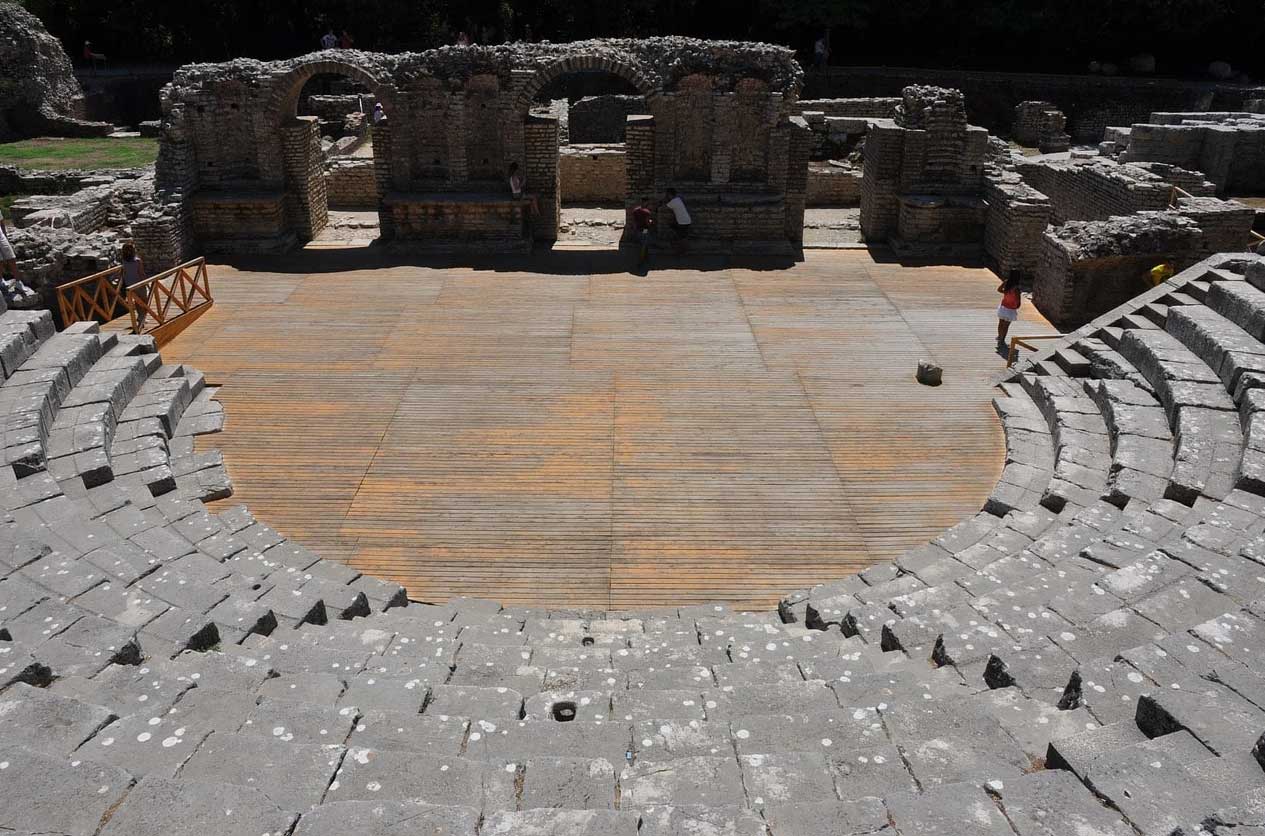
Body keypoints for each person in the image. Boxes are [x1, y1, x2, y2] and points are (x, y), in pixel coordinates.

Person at [117, 242, 149, 328]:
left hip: (129, 285)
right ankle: (142, 318)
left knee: (137, 301)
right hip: (139, 283)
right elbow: (141, 273)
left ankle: (140, 317)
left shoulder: (123, 261)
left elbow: (123, 273)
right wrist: (146, 283)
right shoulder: (137, 261)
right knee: (144, 301)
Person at [997, 275, 1022, 350]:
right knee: (1006, 326)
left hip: (1003, 306)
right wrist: (1017, 305)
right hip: (1010, 309)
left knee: (1001, 323)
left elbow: (999, 289)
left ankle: (999, 336)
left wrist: (1005, 292)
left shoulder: (1006, 282)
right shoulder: (1016, 288)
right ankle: (1002, 340)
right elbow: (1018, 300)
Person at [664, 188, 691, 253]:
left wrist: (664, 200)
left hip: (683, 222)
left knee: (681, 237)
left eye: (667, 194)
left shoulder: (673, 202)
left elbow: (664, 208)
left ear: (669, 194)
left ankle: (682, 250)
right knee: (682, 235)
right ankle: (683, 248)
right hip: (686, 220)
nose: (667, 196)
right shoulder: (678, 199)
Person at [629, 196, 655, 266]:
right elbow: (647, 222)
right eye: (648, 202)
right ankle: (641, 259)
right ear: (646, 202)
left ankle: (645, 257)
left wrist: (634, 229)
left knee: (642, 243)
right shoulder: (647, 212)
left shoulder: (635, 210)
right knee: (644, 243)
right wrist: (651, 223)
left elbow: (633, 221)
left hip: (638, 229)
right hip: (645, 229)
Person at [0, 206, 18, 287]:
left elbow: (2, 222)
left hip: (1, 236)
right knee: (0, 261)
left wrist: (5, 236)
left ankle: (18, 282)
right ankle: (1, 281)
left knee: (12, 257)